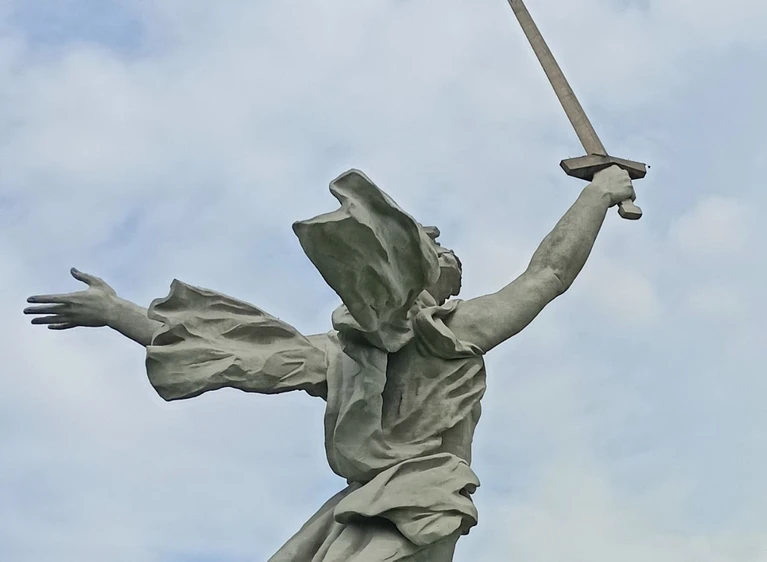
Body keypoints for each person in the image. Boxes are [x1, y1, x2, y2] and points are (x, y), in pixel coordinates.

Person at [24, 165, 636, 561]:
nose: (444, 248)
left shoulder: (449, 332)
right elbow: (228, 354)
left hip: (417, 504)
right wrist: (119, 312)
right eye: (435, 244)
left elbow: (548, 273)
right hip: (381, 505)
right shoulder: (354, 348)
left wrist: (595, 194)